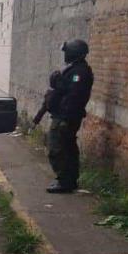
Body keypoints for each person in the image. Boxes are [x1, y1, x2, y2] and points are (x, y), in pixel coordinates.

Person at [34, 39, 94, 193]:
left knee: (58, 148)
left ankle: (65, 181)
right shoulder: (74, 69)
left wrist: (65, 118)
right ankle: (68, 180)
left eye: (67, 51)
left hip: (66, 117)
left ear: (74, 52)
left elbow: (74, 96)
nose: (65, 54)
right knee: (67, 148)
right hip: (64, 115)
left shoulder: (80, 72)